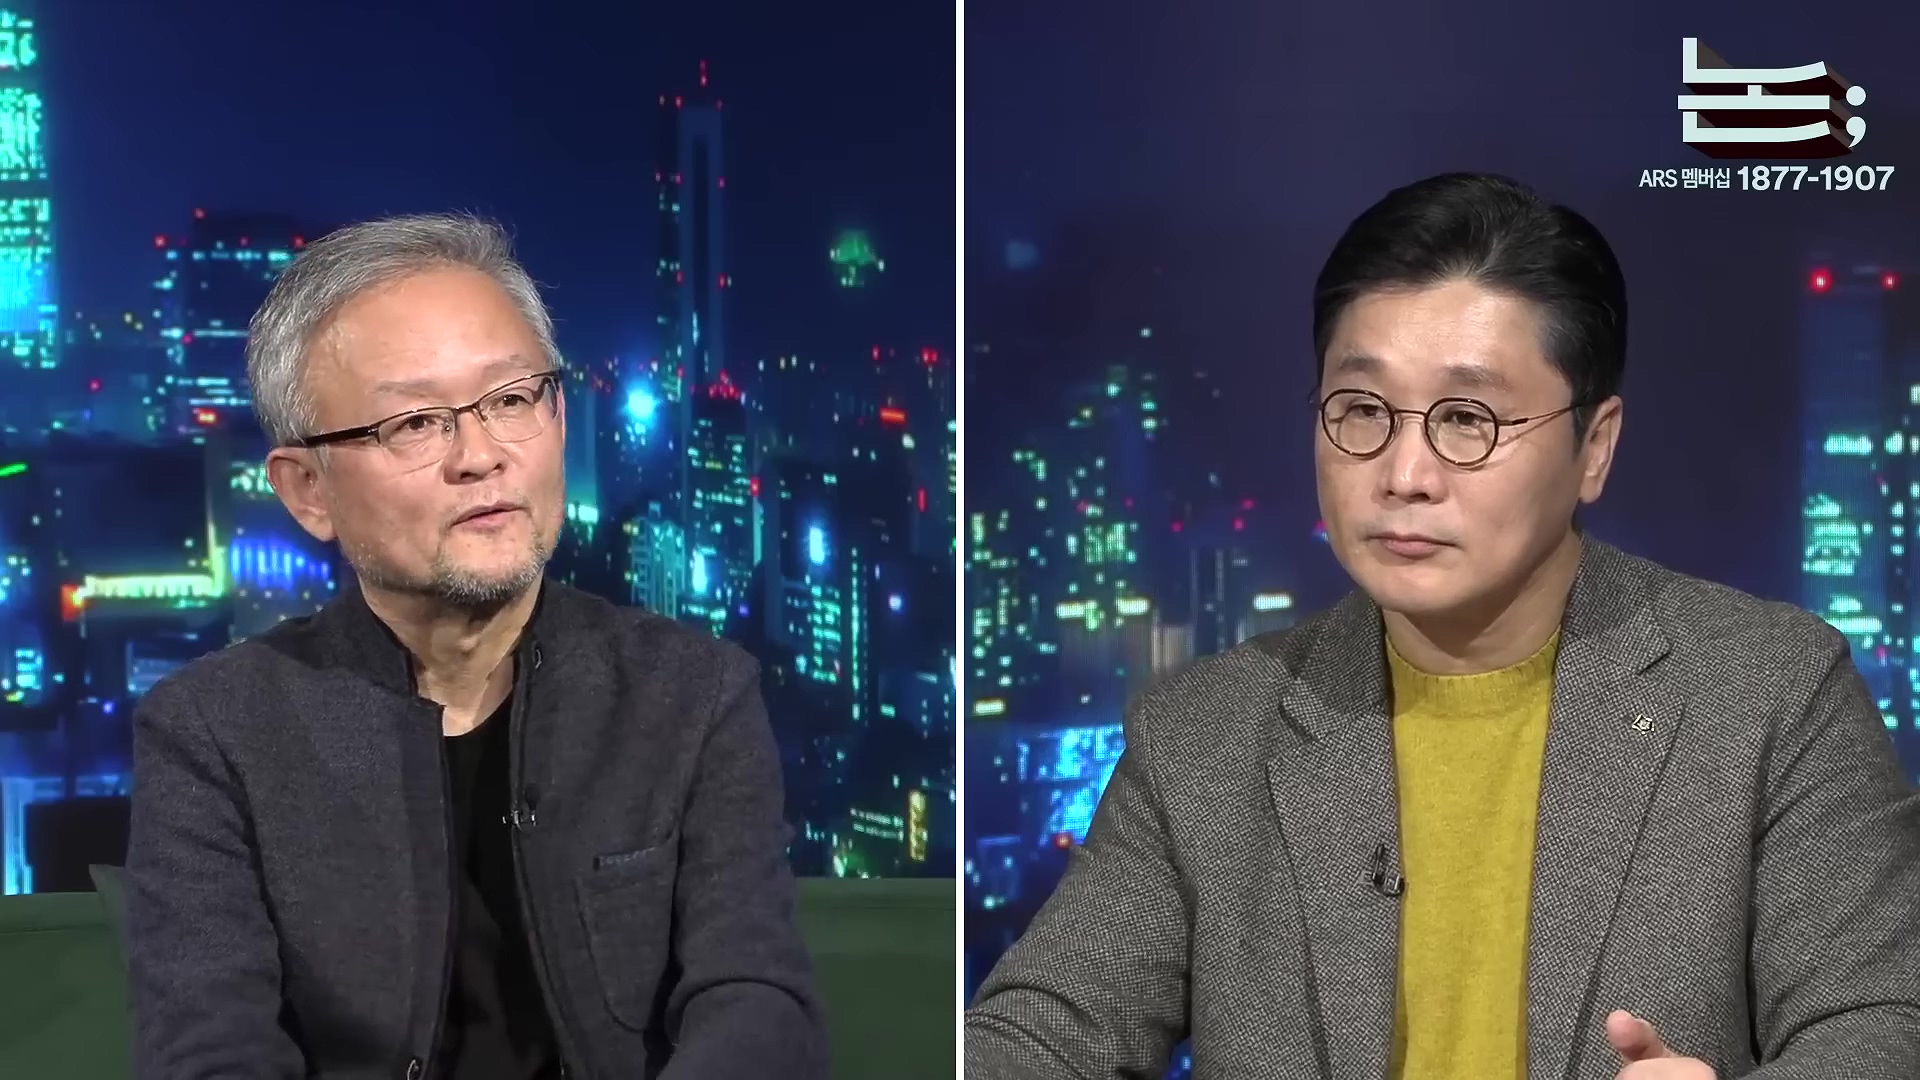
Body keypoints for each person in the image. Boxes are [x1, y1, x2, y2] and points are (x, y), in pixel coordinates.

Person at [963, 173, 1920, 1079]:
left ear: (1594, 446)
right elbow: (1041, 1033)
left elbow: (1881, 1023)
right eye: (1361, 410)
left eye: (1467, 419)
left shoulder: (1771, 695)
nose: (1404, 474)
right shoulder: (1203, 736)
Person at [124, 213, 826, 1079]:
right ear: (307, 490)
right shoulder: (210, 734)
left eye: (511, 399)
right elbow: (210, 1050)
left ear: (558, 418)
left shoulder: (694, 695)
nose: (480, 455)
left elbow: (754, 1002)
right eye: (416, 422)